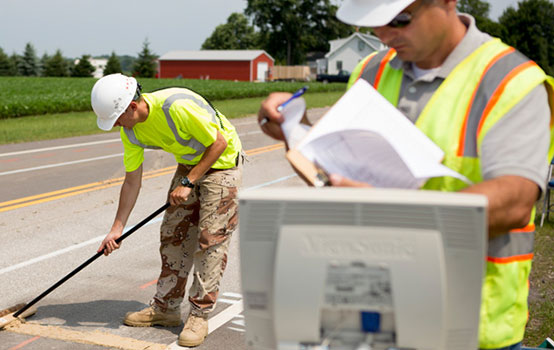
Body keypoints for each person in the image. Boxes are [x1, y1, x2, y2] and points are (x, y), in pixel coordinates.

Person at [258, 1, 554, 349]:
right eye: (374, 25)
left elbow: (514, 202)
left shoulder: (510, 81)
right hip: (370, 315)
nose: (384, 34)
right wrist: (295, 131)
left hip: (468, 328)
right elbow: (338, 170)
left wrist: (385, 211)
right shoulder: (371, 70)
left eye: (399, 20)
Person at [90, 73, 243, 347]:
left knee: (210, 240)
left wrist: (188, 182)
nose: (116, 125)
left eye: (117, 118)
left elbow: (218, 143)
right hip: (190, 165)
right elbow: (132, 181)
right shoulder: (131, 131)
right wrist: (117, 229)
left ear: (132, 107)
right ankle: (166, 308)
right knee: (174, 234)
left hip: (223, 162)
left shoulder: (176, 106)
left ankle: (199, 314)